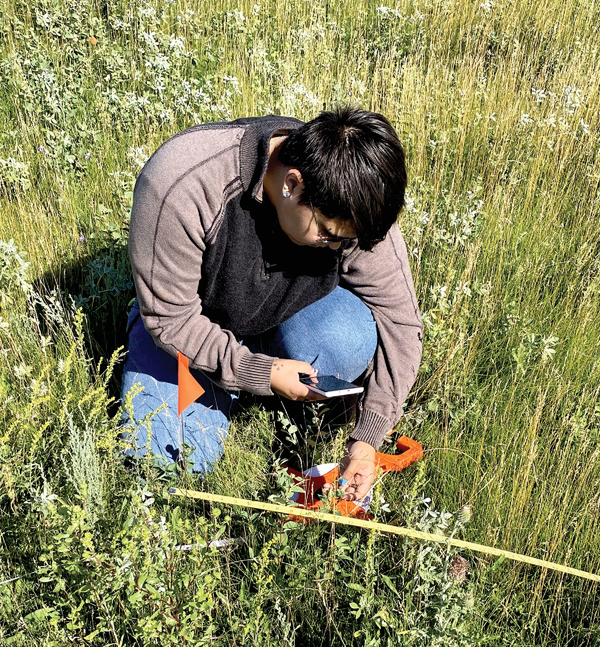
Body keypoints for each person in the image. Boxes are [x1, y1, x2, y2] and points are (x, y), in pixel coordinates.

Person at [121, 107, 423, 503]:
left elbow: (401, 323)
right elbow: (171, 320)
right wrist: (260, 372)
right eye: (328, 236)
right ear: (292, 184)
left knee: (345, 337)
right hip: (192, 330)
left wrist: (367, 437)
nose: (337, 247)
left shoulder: (354, 202)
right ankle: (224, 385)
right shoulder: (183, 183)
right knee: (169, 465)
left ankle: (272, 392)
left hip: (279, 319)